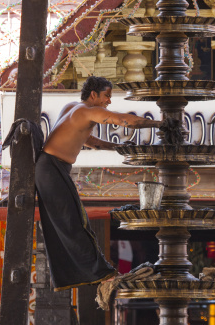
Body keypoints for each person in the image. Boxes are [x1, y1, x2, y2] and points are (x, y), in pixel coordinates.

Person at [35, 76, 163, 291]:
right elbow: (124, 120)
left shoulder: (73, 108)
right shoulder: (85, 111)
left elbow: (89, 141)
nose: (108, 101)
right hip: (51, 169)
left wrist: (118, 147)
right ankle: (102, 274)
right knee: (75, 223)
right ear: (93, 95)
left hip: (51, 168)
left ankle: (89, 273)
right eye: (106, 96)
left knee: (69, 223)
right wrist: (160, 123)